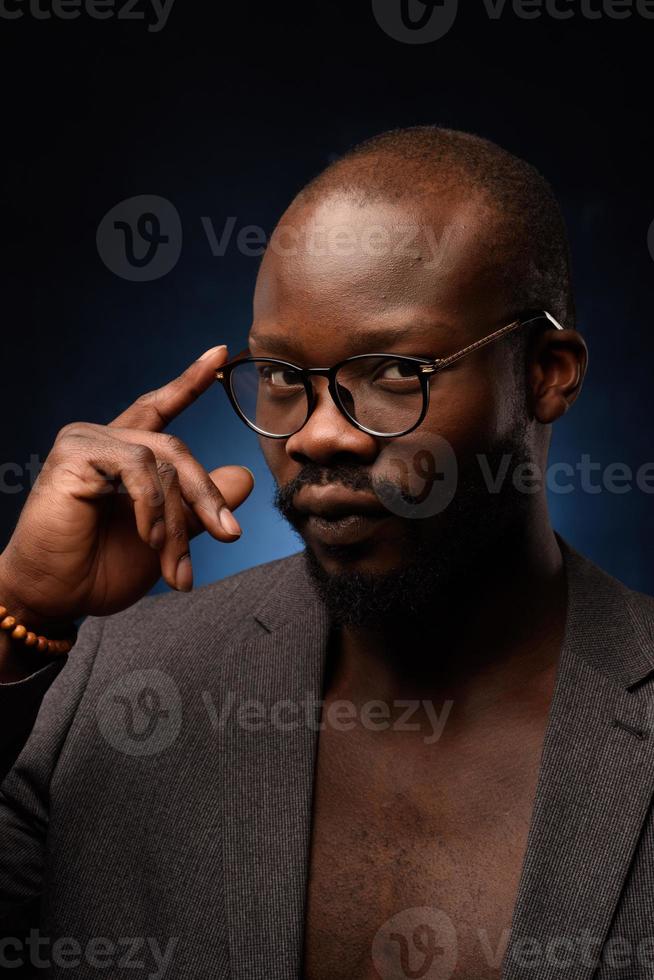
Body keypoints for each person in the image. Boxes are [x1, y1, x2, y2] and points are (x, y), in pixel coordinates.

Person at [1, 126, 653, 980]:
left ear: (547, 373)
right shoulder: (117, 680)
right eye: (280, 376)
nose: (318, 435)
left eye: (393, 372)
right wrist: (21, 615)